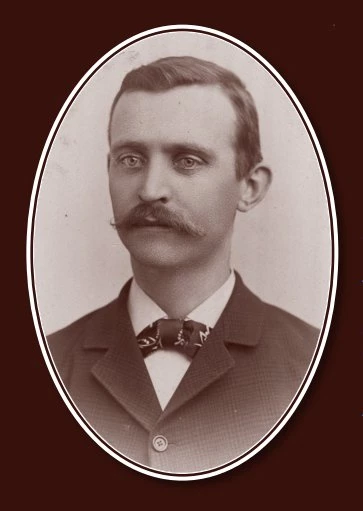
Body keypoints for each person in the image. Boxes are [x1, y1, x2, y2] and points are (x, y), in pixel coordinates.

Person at [48, 56, 319, 474]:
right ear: (109, 171)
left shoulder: (311, 363)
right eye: (131, 159)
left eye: (187, 160)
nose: (150, 189)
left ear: (249, 187)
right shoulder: (50, 361)